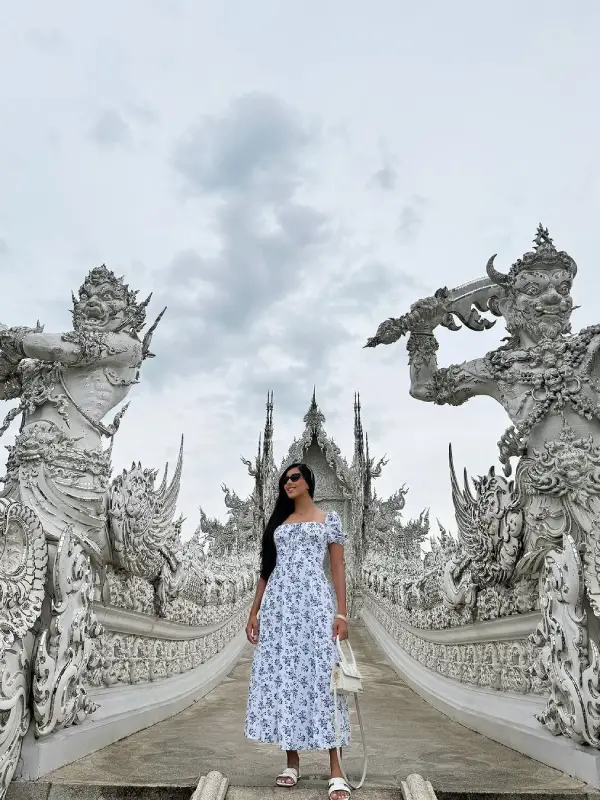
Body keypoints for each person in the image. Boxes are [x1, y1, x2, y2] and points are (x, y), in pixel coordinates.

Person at [244, 462, 352, 800]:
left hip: (314, 606)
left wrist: (342, 614)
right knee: (286, 678)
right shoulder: (279, 522)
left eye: (294, 478)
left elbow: (337, 566)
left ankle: (336, 770)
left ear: (308, 482)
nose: (288, 484)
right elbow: (267, 569)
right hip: (279, 611)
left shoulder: (327, 520)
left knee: (324, 680)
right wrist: (254, 610)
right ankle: (292, 762)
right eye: (284, 480)